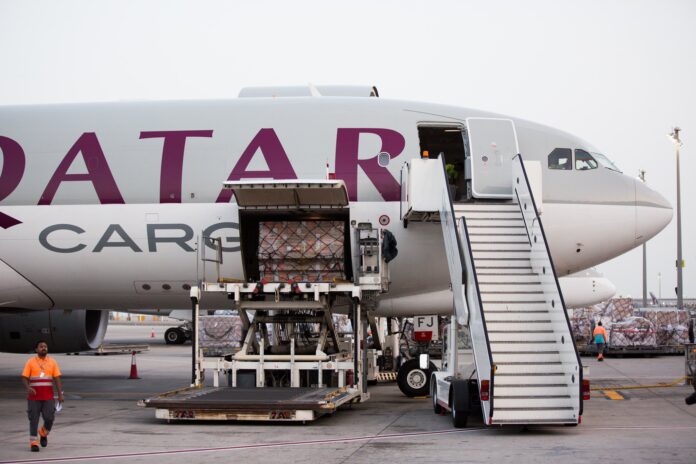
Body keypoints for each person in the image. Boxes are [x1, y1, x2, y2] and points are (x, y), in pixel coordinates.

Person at [21, 340, 64, 452]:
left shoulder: (52, 362)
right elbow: (24, 377)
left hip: (48, 397)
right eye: (41, 346)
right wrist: (28, 388)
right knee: (33, 420)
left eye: (45, 346)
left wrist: (60, 394)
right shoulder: (30, 362)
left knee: (50, 418)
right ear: (36, 349)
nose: (44, 348)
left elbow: (57, 379)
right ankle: (34, 443)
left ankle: (43, 433)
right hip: (34, 398)